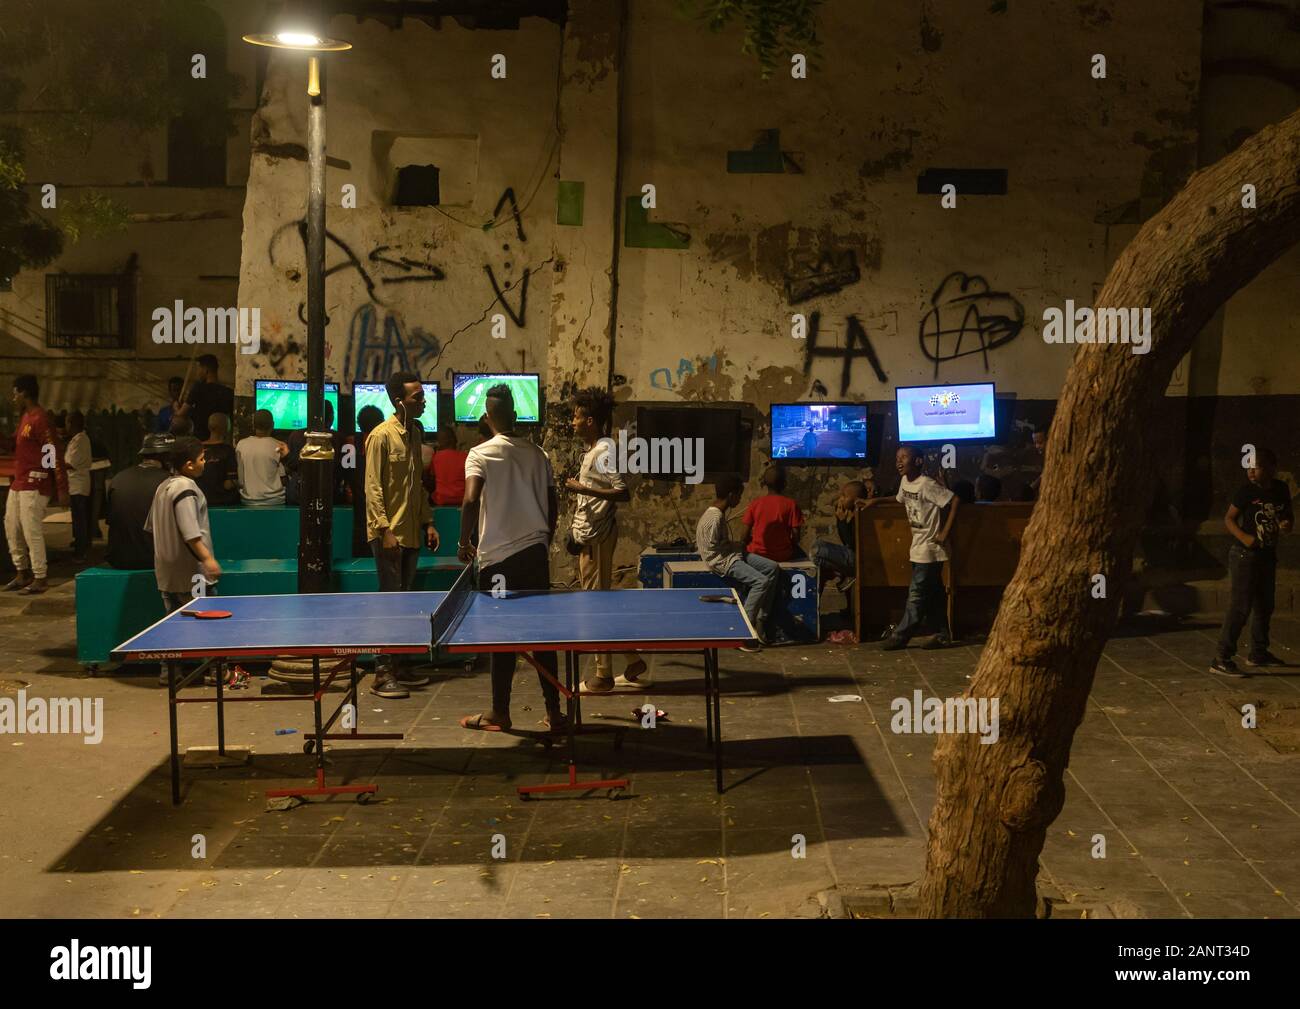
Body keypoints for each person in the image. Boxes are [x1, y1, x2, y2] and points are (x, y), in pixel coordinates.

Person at [456, 383, 565, 731]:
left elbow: (470, 500)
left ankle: (500, 712)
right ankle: (555, 711)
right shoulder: (538, 454)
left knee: (501, 638)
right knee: (544, 636)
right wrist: (545, 539)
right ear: (515, 416)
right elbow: (554, 503)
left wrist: (463, 542)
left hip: (498, 562)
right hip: (534, 555)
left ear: (487, 418)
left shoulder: (479, 454)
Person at [566, 387, 647, 692]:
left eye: (576, 417)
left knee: (595, 606)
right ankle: (632, 659)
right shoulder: (593, 450)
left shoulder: (604, 450)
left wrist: (582, 490)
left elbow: (622, 491)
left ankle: (603, 675)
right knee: (595, 603)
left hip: (599, 538)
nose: (572, 422)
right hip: (590, 535)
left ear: (590, 420)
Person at [365, 372, 439, 699]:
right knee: (389, 603)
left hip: (410, 533)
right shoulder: (381, 437)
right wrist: (384, 529)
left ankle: (401, 665)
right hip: (388, 534)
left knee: (405, 601)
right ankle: (382, 672)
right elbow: (373, 487)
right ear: (399, 402)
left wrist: (428, 522)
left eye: (423, 396)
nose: (423, 401)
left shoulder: (416, 433)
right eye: (417, 397)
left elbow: (417, 485)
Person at [146, 434, 221, 685]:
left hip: (166, 574)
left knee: (172, 626)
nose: (204, 463)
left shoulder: (163, 487)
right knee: (209, 624)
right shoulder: (186, 489)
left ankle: (169, 673)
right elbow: (191, 533)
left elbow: (151, 527)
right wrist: (208, 560)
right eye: (201, 459)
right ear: (189, 464)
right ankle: (215, 673)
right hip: (193, 574)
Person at [1211, 447, 1294, 676]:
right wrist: (1245, 538)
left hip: (1267, 555)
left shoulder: (1281, 489)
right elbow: (1229, 519)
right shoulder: (1246, 492)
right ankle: (1221, 657)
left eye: (1255, 466)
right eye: (1247, 467)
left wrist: (1286, 524)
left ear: (1270, 468)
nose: (1250, 471)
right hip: (1244, 556)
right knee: (1240, 606)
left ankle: (1259, 652)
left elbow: (1287, 516)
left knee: (1265, 605)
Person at [877, 445, 960, 650]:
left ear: (918, 461)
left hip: (930, 549)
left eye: (904, 457)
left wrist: (945, 532)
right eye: (897, 457)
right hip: (917, 546)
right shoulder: (905, 482)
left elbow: (954, 500)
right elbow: (899, 499)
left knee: (917, 594)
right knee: (933, 594)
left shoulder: (927, 484)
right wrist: (874, 501)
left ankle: (901, 635)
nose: (899, 461)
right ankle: (942, 634)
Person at [696, 473, 778, 650]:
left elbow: (719, 542)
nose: (740, 500)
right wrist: (735, 550)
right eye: (739, 495)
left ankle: (761, 619)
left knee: (772, 568)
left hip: (731, 553)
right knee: (761, 582)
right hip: (722, 560)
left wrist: (738, 546)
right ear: (732, 495)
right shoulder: (715, 517)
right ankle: (744, 631)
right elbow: (713, 550)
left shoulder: (717, 512)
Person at [3, 375, 66, 595]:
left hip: (35, 482)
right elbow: (14, 443)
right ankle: (22, 572)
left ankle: (40, 576)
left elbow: (51, 453)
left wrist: (59, 486)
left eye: (15, 393)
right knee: (11, 527)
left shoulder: (40, 418)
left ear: (25, 393)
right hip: (19, 482)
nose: (13, 397)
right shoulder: (25, 418)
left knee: (31, 531)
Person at [105, 434, 171, 569]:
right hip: (154, 560)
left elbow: (111, 520)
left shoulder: (118, 478)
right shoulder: (171, 482)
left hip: (118, 559)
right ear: (167, 458)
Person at [742, 464, 804, 563]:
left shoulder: (755, 503)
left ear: (765, 483)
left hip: (757, 555)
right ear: (784, 484)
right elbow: (796, 537)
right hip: (783, 556)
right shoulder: (791, 504)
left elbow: (744, 536)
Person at [812, 479, 865, 589]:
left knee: (817, 551)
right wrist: (841, 520)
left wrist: (842, 522)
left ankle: (844, 573)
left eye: (844, 497)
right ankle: (842, 574)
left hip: (858, 560)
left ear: (856, 500)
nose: (840, 500)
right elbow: (845, 542)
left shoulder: (862, 515)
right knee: (819, 544)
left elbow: (851, 544)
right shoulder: (850, 515)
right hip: (851, 556)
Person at [236, 409, 288, 507]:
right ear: (272, 425)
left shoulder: (241, 444)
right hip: (276, 501)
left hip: (248, 501)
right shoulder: (279, 445)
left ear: (253, 425)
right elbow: (283, 479)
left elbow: (241, 481)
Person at [175, 354, 234, 440]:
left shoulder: (198, 388)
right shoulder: (228, 392)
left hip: (200, 439)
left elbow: (181, 414)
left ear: (206, 370)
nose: (197, 372)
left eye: (198, 368)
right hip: (220, 440)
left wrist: (176, 407)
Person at [65, 410, 93, 562]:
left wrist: (51, 462)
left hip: (78, 485)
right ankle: (80, 543)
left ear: (72, 423)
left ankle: (80, 551)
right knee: (78, 518)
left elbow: (70, 463)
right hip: (76, 484)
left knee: (79, 519)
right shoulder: (76, 439)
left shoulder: (80, 440)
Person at [197, 412, 239, 507]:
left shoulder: (197, 448)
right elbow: (230, 483)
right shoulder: (228, 451)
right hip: (222, 501)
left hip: (200, 500)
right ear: (227, 428)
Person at [427, 426, 469, 507]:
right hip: (462, 500)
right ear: (454, 440)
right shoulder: (466, 457)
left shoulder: (436, 457)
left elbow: (432, 480)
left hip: (440, 501)